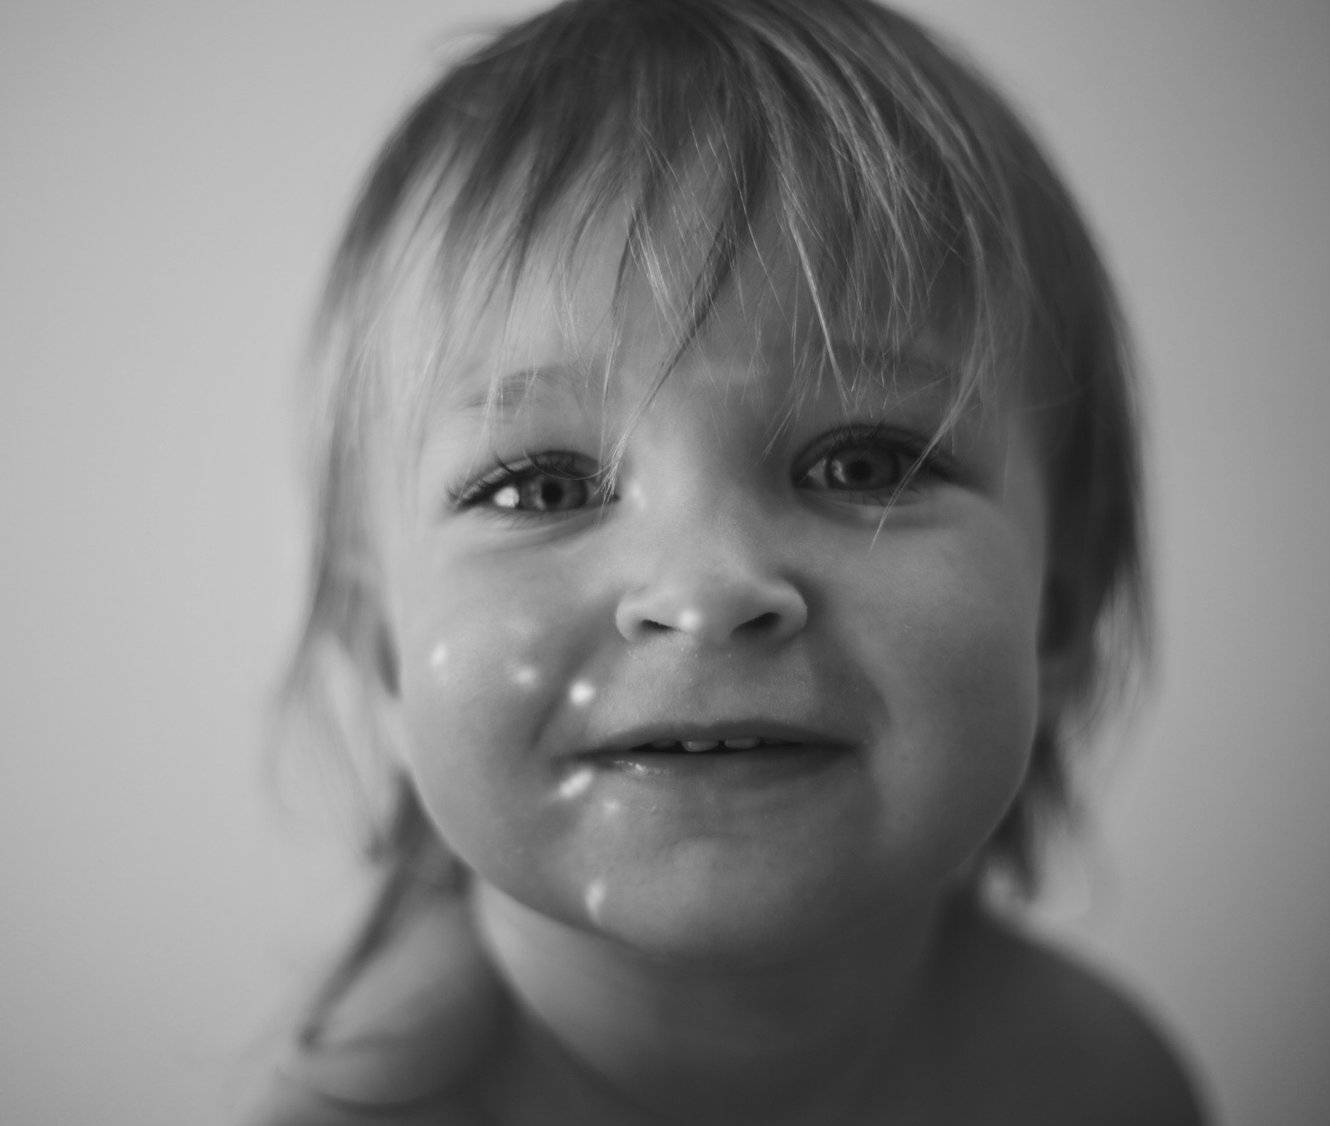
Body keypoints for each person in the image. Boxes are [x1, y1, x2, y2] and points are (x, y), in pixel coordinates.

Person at [251, 0, 1204, 1120]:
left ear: (1061, 608)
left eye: (863, 464)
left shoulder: (1098, 1080)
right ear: (381, 643)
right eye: (542, 487)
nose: (706, 589)